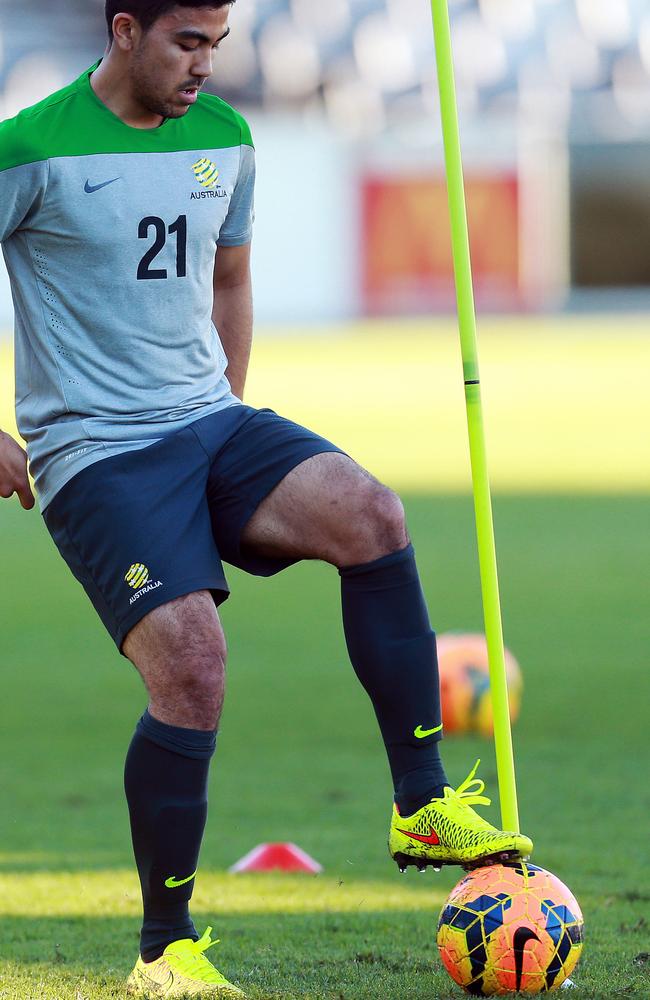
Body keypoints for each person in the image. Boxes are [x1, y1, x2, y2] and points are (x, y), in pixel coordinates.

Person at [0, 1, 533, 995]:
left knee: (371, 512)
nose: (205, 66)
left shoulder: (227, 138)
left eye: (217, 44)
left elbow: (231, 276)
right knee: (194, 667)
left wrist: (228, 416)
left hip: (210, 421)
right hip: (96, 451)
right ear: (123, 30)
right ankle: (166, 950)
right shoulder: (28, 148)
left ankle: (419, 802)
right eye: (184, 43)